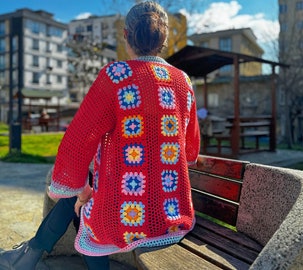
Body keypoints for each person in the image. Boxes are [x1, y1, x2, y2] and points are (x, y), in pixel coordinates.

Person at [0, 1, 200, 270]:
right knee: (84, 196)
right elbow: (189, 149)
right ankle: (30, 252)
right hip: (172, 211)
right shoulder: (183, 81)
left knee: (84, 210)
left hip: (127, 213)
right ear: (163, 39)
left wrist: (82, 193)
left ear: (126, 35)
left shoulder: (117, 76)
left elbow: (77, 142)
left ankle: (31, 253)